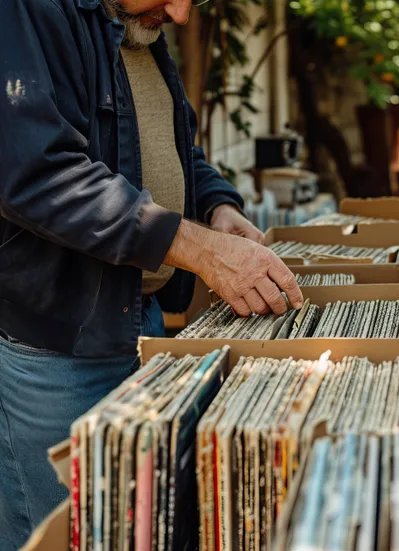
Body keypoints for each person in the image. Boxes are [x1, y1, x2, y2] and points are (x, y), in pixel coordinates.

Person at [0, 0, 302, 547]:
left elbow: (174, 147)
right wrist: (199, 249)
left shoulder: (139, 25)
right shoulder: (27, 12)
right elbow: (36, 175)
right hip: (60, 340)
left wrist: (217, 208)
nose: (183, 14)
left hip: (140, 321)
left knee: (128, 530)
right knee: (67, 532)